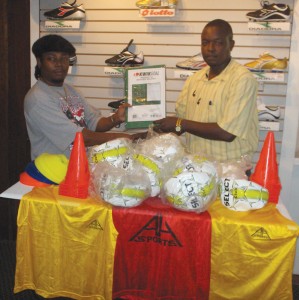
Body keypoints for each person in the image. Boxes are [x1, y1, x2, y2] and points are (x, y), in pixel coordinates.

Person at [153, 19, 259, 163]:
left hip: (231, 171)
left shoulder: (242, 79)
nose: (210, 48)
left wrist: (180, 123)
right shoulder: (194, 80)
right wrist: (152, 127)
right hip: (195, 167)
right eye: (205, 42)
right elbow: (179, 125)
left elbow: (227, 133)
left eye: (218, 42)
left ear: (231, 45)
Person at [25, 34, 145, 160]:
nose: (59, 64)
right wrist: (124, 138)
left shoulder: (71, 91)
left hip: (78, 169)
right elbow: (79, 137)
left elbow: (94, 122)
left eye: (64, 58)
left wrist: (116, 118)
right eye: (52, 58)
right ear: (39, 62)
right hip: (52, 174)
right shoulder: (38, 98)